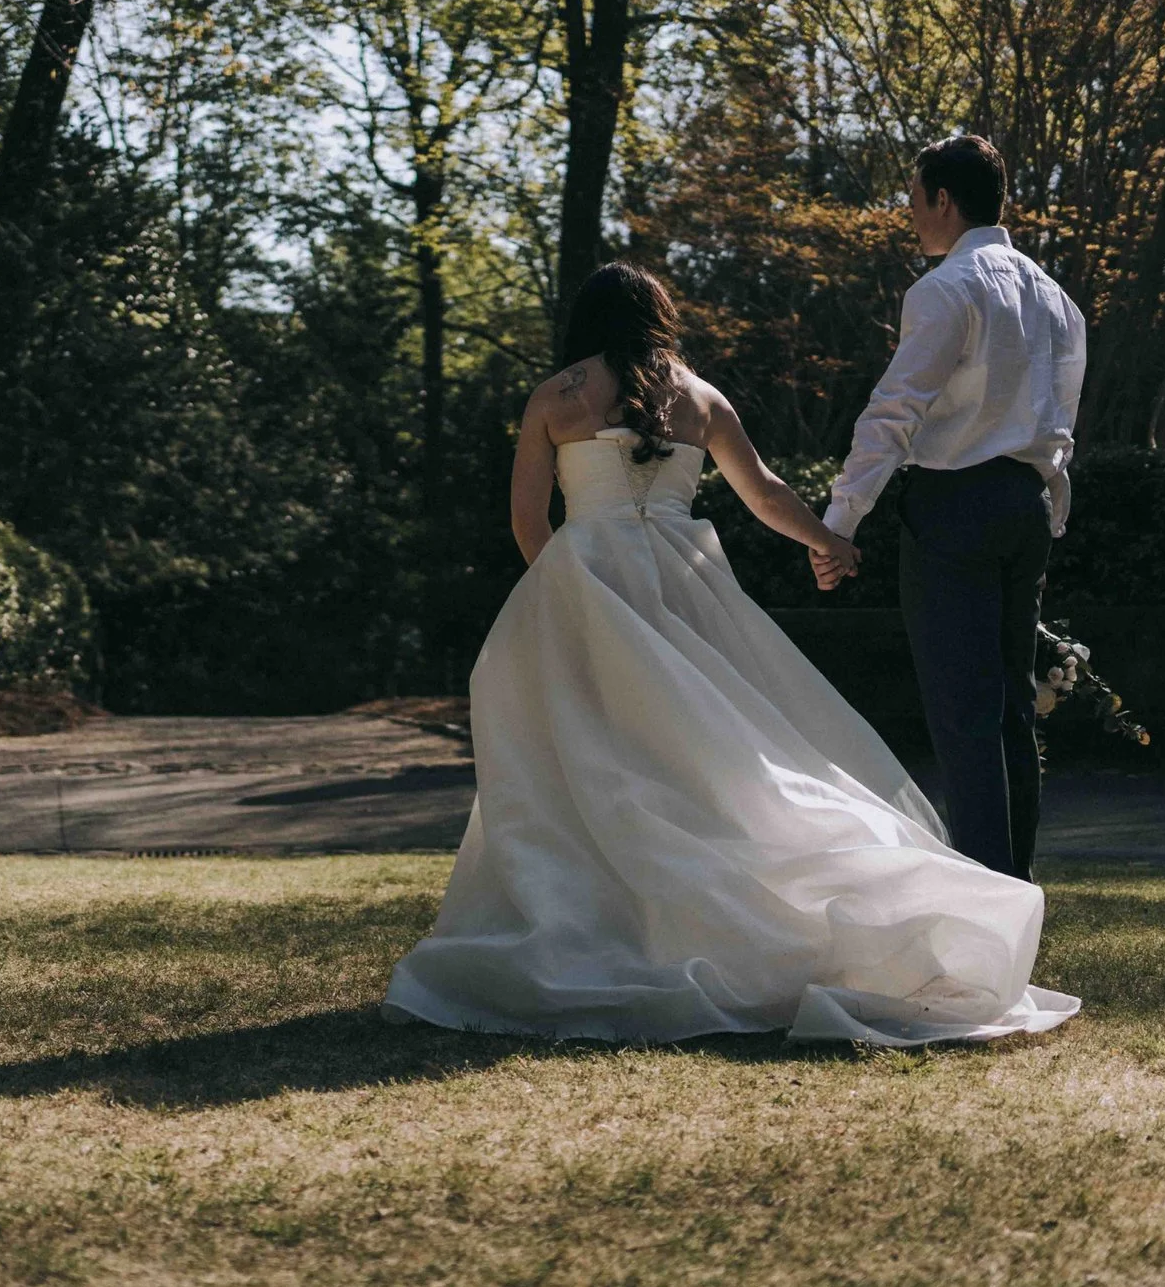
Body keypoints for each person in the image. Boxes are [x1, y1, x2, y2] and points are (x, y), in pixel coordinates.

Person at [382, 260, 1077, 1046]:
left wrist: (561, 597)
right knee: (720, 752)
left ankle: (610, 918)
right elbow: (766, 491)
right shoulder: (700, 396)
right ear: (659, 317)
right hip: (685, 584)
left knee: (592, 762)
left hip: (587, 583)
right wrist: (828, 541)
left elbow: (526, 519)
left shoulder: (557, 396)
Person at [819, 135, 1088, 881]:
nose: (909, 215)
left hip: (954, 507)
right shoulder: (1057, 300)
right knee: (1011, 711)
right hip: (1025, 507)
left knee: (963, 714)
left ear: (944, 199)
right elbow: (1060, 420)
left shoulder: (946, 288)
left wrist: (840, 521)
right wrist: (1047, 505)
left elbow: (894, 410)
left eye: (913, 199)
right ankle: (1014, 886)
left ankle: (987, 903)